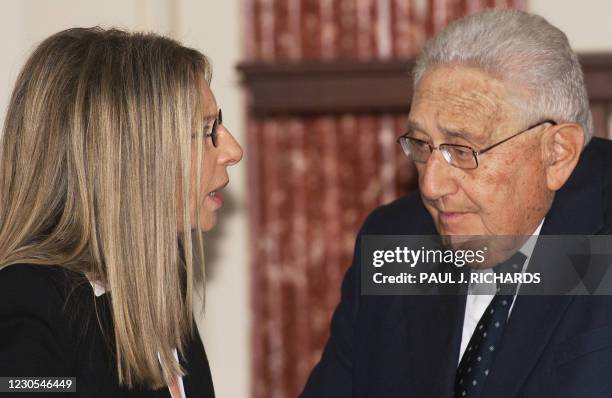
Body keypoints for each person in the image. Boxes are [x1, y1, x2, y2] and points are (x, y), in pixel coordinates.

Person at [301, 9, 612, 398]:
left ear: (557, 153)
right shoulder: (397, 242)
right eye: (421, 145)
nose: (431, 185)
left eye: (462, 151)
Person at [0, 27, 242, 397]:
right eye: (207, 130)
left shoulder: (156, 284)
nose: (233, 150)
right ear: (129, 158)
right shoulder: (29, 306)